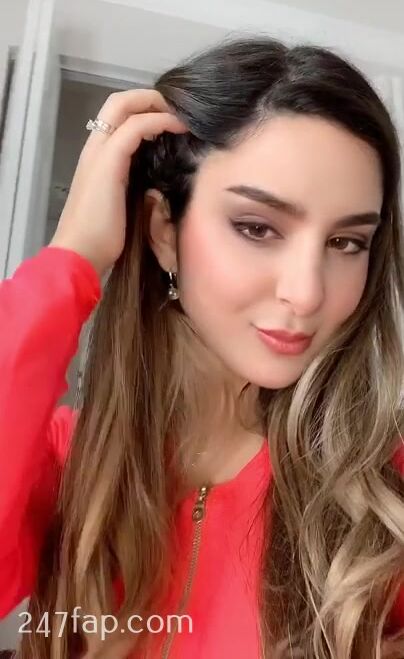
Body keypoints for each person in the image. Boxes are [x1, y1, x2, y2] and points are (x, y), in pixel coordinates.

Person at [0, 34, 404, 659]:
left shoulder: (379, 492)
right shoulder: (66, 466)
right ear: (164, 231)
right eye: (257, 227)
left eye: (346, 242)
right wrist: (72, 259)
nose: (307, 293)